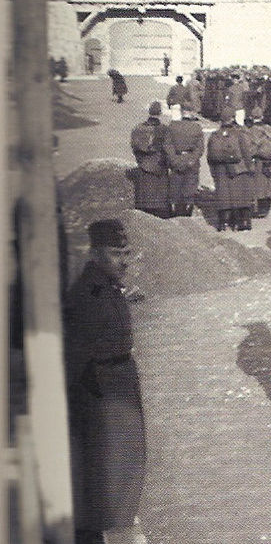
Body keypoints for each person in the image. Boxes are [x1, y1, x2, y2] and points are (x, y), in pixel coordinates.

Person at [64, 220, 146, 543]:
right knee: (106, 476)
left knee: (125, 468)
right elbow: (73, 357)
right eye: (115, 253)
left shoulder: (108, 284)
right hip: (102, 392)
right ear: (95, 253)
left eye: (126, 252)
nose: (123, 260)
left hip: (119, 384)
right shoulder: (87, 293)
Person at [207, 110, 255, 231]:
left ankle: (223, 223)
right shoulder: (239, 133)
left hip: (221, 170)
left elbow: (210, 157)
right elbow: (246, 153)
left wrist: (215, 173)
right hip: (238, 170)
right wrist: (250, 169)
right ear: (233, 118)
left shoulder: (215, 135)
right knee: (242, 195)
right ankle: (242, 223)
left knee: (224, 196)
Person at [162, 99, 204, 217]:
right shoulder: (197, 128)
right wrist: (192, 159)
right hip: (191, 161)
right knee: (190, 187)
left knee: (174, 187)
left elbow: (167, 145)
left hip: (177, 159)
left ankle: (174, 212)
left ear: (181, 112)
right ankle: (187, 212)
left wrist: (173, 158)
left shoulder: (173, 126)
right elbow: (200, 148)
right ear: (191, 112)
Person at [129, 101, 171, 218]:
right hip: (160, 170)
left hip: (144, 168)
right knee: (160, 202)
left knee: (144, 200)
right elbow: (169, 150)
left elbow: (134, 147)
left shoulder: (138, 128)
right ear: (160, 113)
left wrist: (142, 160)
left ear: (149, 112)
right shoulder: (165, 130)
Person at [246, 106, 271, 218]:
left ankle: (257, 210)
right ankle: (265, 209)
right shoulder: (269, 128)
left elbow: (250, 148)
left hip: (259, 161)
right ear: (262, 117)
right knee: (269, 184)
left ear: (251, 117)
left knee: (258, 185)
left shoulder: (251, 130)